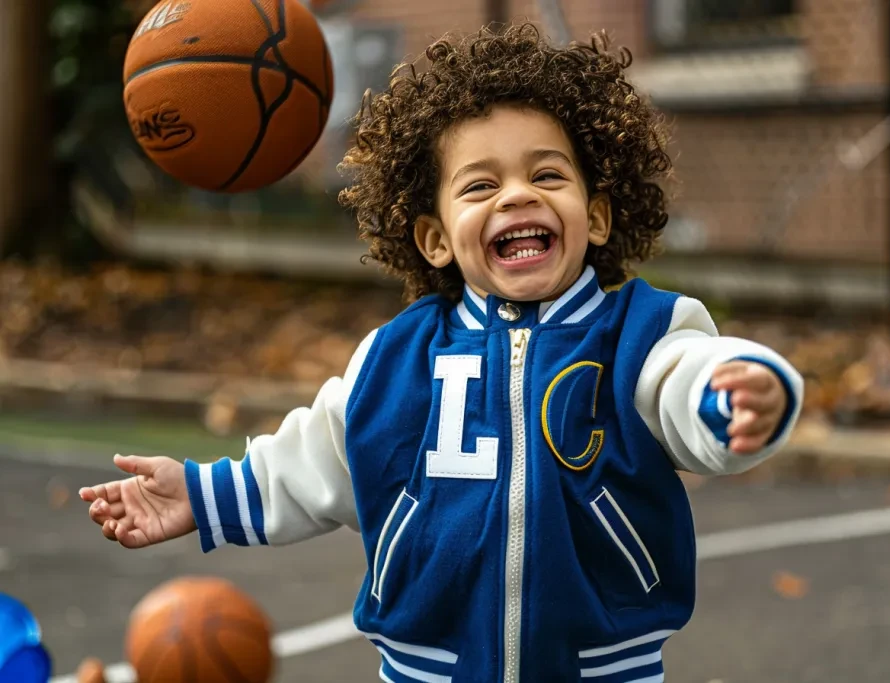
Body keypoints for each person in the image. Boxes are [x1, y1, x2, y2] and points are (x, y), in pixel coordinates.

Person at [80, 23, 804, 681]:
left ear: (601, 214)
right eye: (481, 184)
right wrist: (203, 497)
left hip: (603, 668)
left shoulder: (641, 332)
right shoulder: (399, 356)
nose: (518, 195)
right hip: (425, 669)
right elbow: (316, 459)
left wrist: (738, 393)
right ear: (434, 237)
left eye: (547, 175)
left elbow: (686, 381)